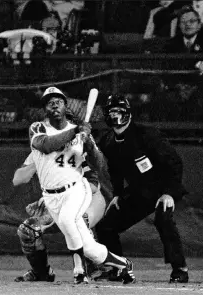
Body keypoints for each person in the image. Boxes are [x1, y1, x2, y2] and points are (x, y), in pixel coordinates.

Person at [25, 86, 136, 284]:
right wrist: (76, 132)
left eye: (58, 100)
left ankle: (79, 271)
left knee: (68, 220)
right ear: (45, 109)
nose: (54, 104)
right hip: (51, 196)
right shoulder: (38, 128)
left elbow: (101, 165)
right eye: (50, 102)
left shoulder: (80, 132)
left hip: (76, 189)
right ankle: (122, 264)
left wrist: (89, 144)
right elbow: (46, 145)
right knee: (89, 248)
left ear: (65, 105)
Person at [84, 94, 189, 283]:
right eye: (111, 112)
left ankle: (179, 269)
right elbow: (113, 169)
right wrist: (117, 194)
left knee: (163, 218)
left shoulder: (147, 135)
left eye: (118, 111)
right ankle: (118, 268)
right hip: (139, 191)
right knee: (106, 225)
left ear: (128, 114)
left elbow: (174, 163)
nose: (115, 115)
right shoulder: (108, 141)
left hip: (163, 187)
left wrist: (169, 193)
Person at [13, 136, 111, 282]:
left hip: (90, 199)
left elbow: (93, 184)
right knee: (28, 230)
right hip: (56, 204)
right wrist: (39, 162)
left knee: (78, 221)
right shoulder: (39, 150)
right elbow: (18, 178)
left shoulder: (76, 147)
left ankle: (93, 266)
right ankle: (42, 272)